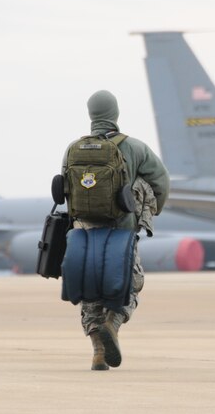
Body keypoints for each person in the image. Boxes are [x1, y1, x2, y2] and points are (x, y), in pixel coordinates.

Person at [63, 90, 169, 370]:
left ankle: (98, 351)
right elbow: (161, 181)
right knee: (129, 285)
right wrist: (149, 209)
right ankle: (113, 323)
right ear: (115, 114)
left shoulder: (74, 148)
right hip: (122, 233)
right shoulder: (135, 148)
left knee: (89, 295)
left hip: (83, 233)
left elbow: (63, 188)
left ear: (91, 115)